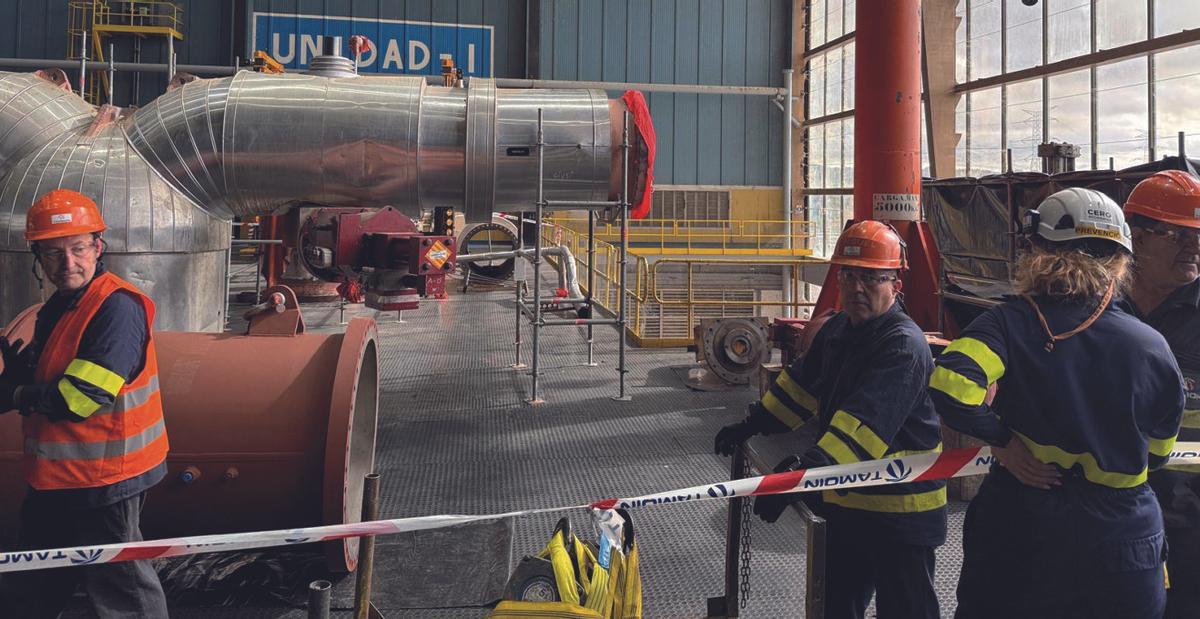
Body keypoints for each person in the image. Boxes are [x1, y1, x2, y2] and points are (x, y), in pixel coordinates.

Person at [929, 187, 1183, 619]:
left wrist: (1004, 442)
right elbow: (1158, 453)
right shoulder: (1151, 345)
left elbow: (952, 384)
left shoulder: (1010, 324)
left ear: (1037, 250)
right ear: (1121, 260)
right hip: (1122, 536)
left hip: (1024, 525)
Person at [715, 220, 947, 619]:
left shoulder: (902, 347)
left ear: (896, 284)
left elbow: (861, 430)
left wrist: (803, 475)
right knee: (836, 608)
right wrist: (754, 423)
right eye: (849, 275)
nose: (857, 287)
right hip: (848, 503)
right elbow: (799, 389)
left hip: (902, 513)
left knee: (907, 612)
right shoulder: (840, 329)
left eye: (871, 277)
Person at [0, 189, 170, 618]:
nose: (67, 263)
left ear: (98, 247)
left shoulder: (117, 308)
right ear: (38, 256)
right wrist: (26, 376)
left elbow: (82, 397)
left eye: (77, 249)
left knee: (121, 589)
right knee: (34, 575)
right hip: (58, 476)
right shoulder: (61, 305)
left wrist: (19, 394)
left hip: (106, 479)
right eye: (53, 253)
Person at [1119, 170, 1200, 619]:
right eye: (1176, 233)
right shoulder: (1096, 307)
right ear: (1137, 236)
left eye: (1199, 235)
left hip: (1191, 511)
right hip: (1105, 503)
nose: (1193, 246)